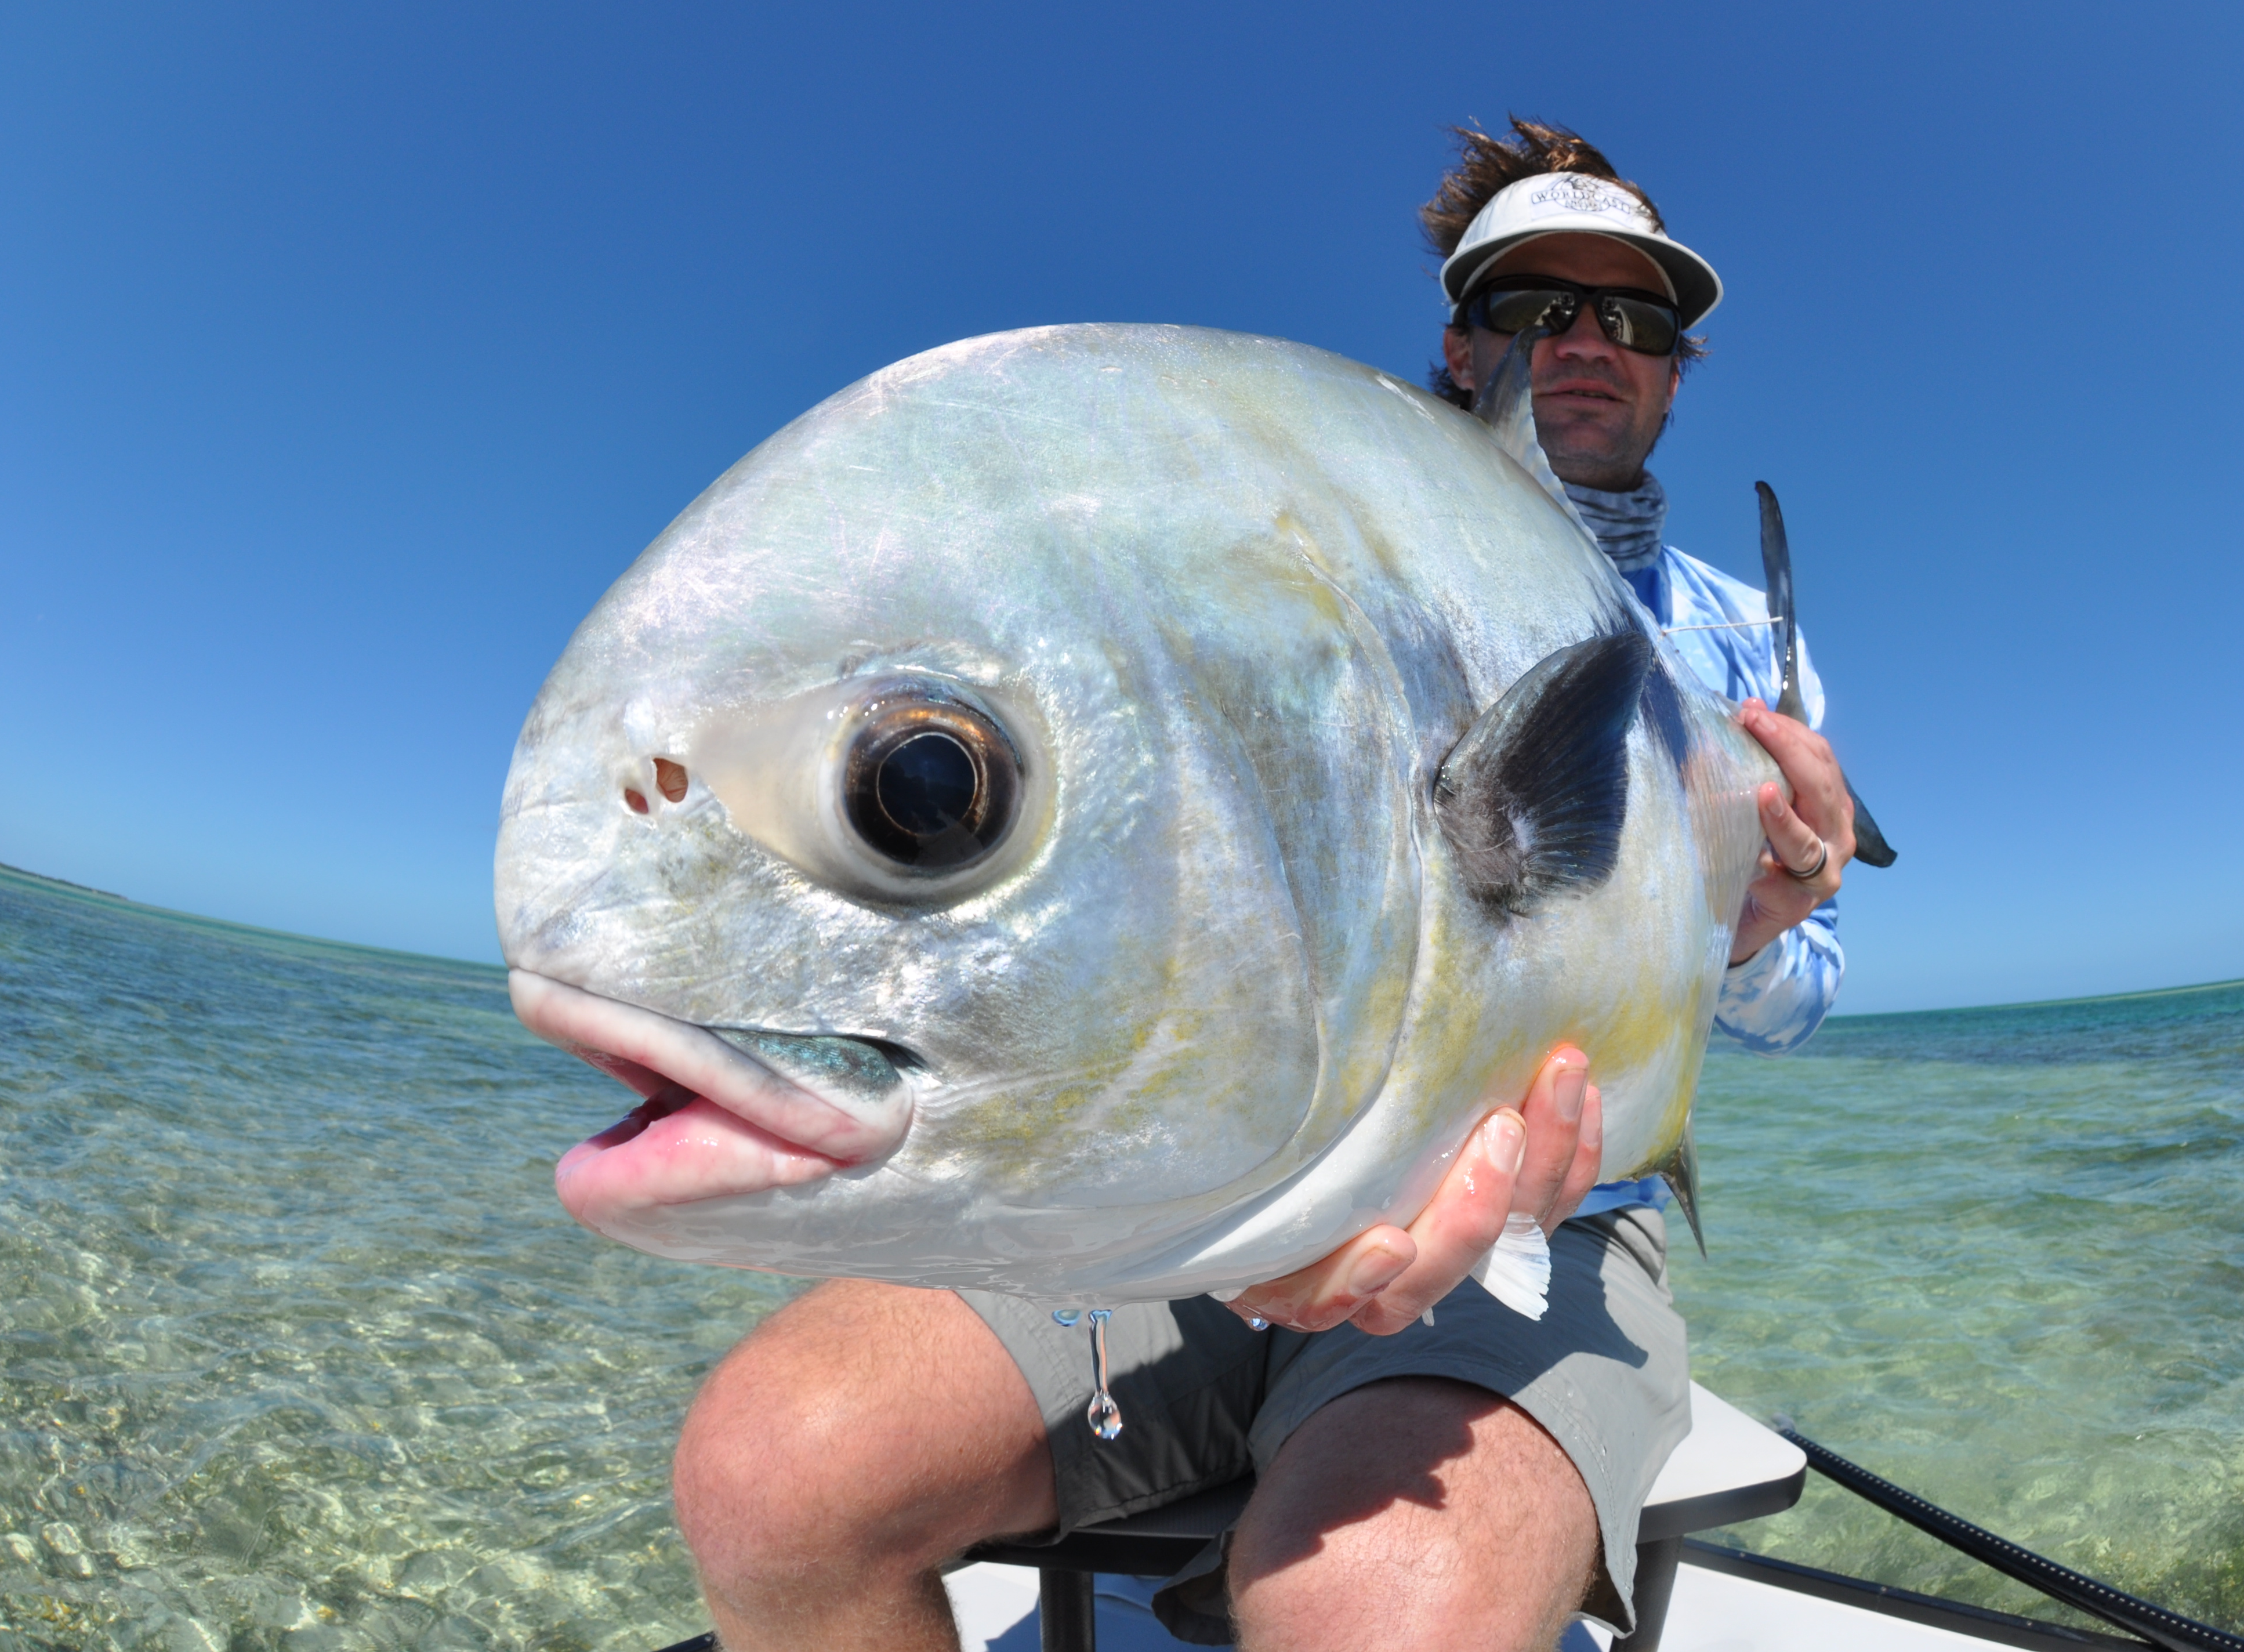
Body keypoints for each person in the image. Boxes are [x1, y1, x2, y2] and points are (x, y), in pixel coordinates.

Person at [668, 119, 1856, 1652]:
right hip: (1196, 1183)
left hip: (1541, 1223)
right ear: (1460, 340)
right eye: (1530, 308)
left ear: (1679, 367)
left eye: (1631, 318)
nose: (1581, 345)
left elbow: (1798, 1009)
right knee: (776, 1482)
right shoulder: (1310, 550)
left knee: (1379, 1612)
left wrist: (1756, 928)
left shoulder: (1748, 648)